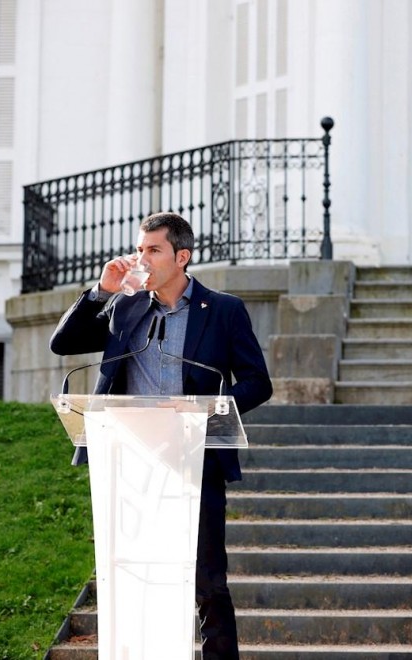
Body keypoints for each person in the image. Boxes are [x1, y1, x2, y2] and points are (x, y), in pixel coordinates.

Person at [50, 212, 273, 659]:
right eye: (139, 249)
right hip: (131, 462)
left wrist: (201, 413)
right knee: (136, 578)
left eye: (153, 250)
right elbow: (63, 343)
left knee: (208, 581)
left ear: (182, 257)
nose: (142, 258)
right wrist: (101, 291)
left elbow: (257, 382)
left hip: (195, 458)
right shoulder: (125, 306)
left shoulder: (224, 310)